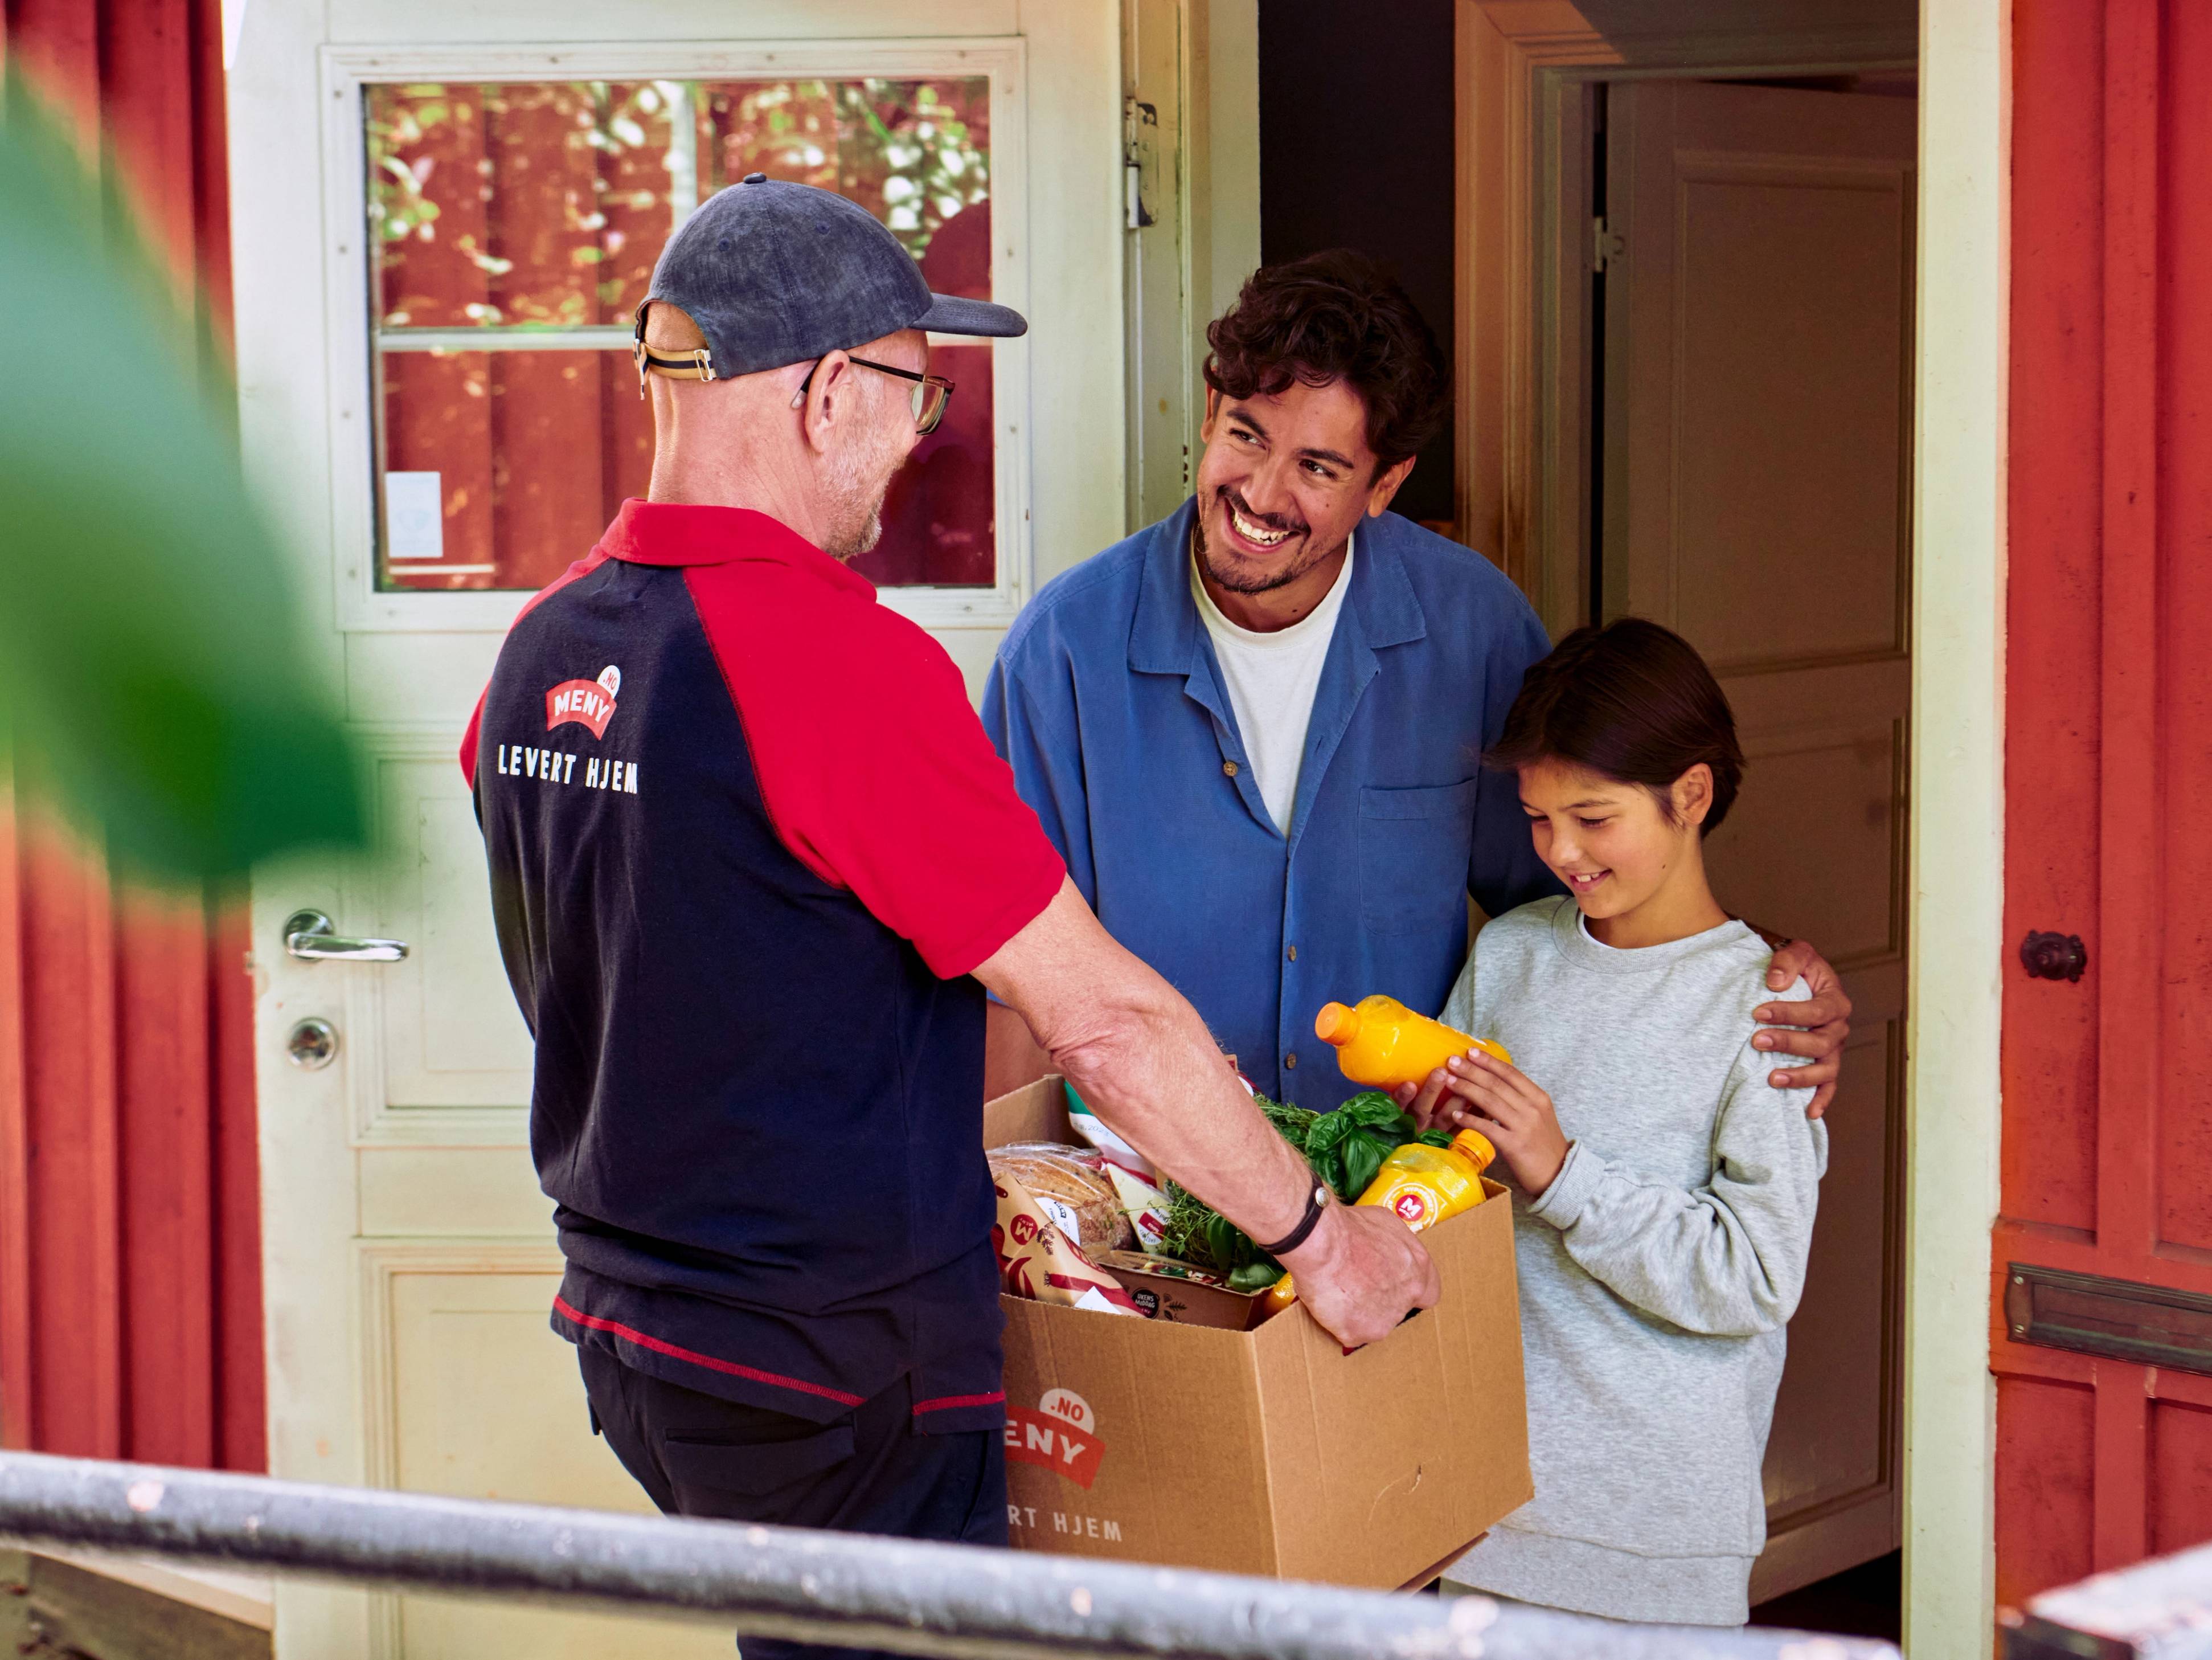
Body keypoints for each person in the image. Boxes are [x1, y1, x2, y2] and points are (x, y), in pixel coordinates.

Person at [460, 178, 1435, 1659]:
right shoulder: (833, 665)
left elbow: (621, 953)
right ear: (828, 389)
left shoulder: (545, 646)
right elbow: (1101, 1015)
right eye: (919, 398)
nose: (920, 445)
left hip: (642, 1344)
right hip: (840, 1367)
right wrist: (1321, 1241)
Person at [981, 250, 1851, 1113]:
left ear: (1384, 484)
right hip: (1149, 1202)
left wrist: (1757, 978)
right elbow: (1015, 978)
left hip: (1399, 1190)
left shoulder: (1477, 630)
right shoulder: (1061, 653)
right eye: (1248, 433)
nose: (1261, 492)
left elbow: (1588, 900)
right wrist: (1020, 1214)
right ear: (1211, 414)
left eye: (1318, 467)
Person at [1399, 618, 1826, 1627]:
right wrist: (1423, 1136)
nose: (1559, 851)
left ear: (1691, 796)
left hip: (1657, 1543)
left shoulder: (1764, 1010)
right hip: (1482, 1514)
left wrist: (1563, 1175)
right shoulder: (1509, 955)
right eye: (1539, 818)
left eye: (1592, 817)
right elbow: (1443, 1201)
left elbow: (1756, 1278)